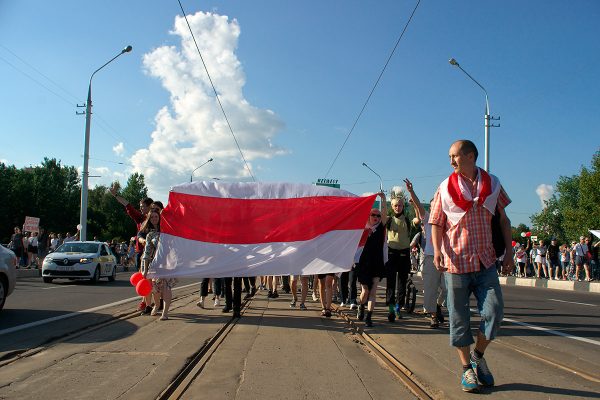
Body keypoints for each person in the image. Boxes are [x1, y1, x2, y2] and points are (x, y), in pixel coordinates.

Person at [429, 139, 513, 392]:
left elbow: (503, 221)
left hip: (485, 260)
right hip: (456, 263)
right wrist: (436, 251)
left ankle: (478, 356)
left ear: (470, 156)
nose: (451, 161)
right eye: (450, 157)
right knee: (458, 319)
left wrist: (509, 252)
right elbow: (436, 222)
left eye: (454, 156)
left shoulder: (493, 184)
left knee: (495, 311)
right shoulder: (444, 188)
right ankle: (467, 369)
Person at [405, 178, 446, 329]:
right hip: (430, 257)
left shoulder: (448, 218)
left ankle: (437, 305)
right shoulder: (428, 218)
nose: (437, 204)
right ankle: (433, 316)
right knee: (430, 288)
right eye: (434, 202)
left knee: (447, 288)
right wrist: (411, 191)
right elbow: (419, 207)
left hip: (447, 258)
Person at [355, 192, 388, 327]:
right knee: (365, 291)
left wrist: (384, 199)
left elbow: (385, 213)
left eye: (378, 215)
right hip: (363, 264)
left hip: (377, 263)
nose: (376, 217)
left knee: (373, 290)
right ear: (368, 216)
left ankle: (369, 316)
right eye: (373, 214)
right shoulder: (362, 229)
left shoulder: (381, 228)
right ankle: (361, 306)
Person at [141, 210, 175, 320]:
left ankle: (165, 313)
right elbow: (147, 253)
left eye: (156, 216)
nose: (155, 219)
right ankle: (156, 304)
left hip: (168, 263)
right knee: (155, 289)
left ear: (160, 218)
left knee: (167, 288)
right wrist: (145, 269)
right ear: (149, 220)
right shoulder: (150, 235)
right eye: (152, 217)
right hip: (155, 264)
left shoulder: (168, 231)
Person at [384, 193, 412, 322]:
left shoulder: (407, 220)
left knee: (402, 283)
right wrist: (383, 199)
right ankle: (390, 309)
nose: (397, 207)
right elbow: (382, 216)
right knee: (390, 283)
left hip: (404, 254)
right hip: (391, 254)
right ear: (392, 206)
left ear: (403, 206)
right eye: (395, 205)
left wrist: (415, 204)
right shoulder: (389, 220)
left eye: (400, 205)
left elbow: (419, 219)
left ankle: (398, 308)